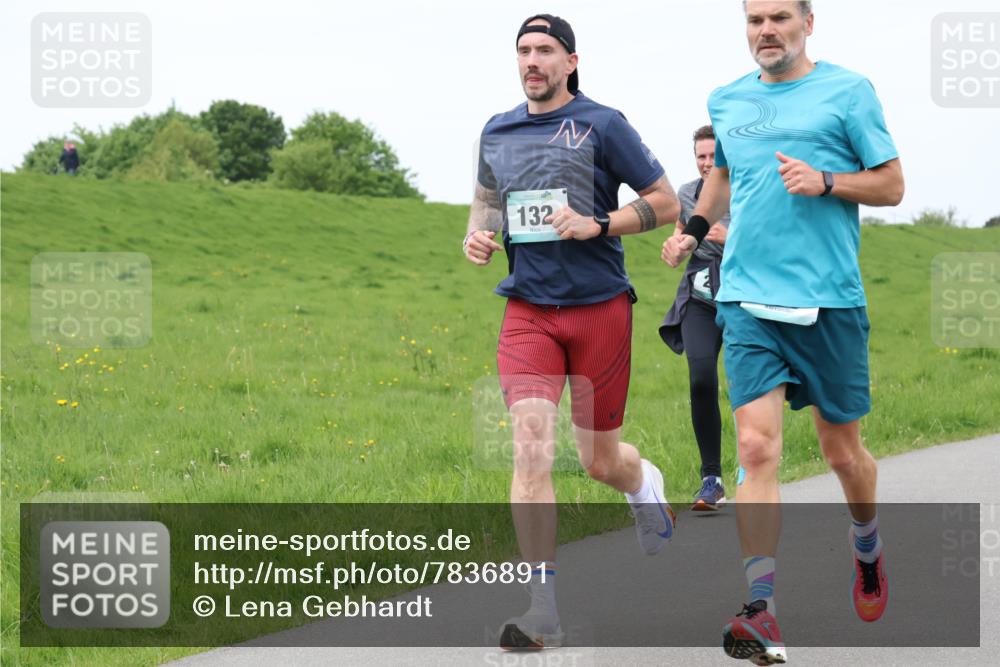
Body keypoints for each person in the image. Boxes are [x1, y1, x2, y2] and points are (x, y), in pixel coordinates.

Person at [662, 1, 904, 664]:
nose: (765, 30)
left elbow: (892, 185)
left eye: (778, 17)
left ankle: (866, 543)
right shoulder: (729, 99)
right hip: (747, 300)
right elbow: (723, 174)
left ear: (807, 22)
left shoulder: (848, 92)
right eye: (753, 19)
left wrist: (826, 181)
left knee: (842, 454)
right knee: (756, 446)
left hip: (828, 303)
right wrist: (690, 229)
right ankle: (761, 609)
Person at [465, 13, 681, 650]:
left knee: (599, 461)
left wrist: (600, 224)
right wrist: (478, 233)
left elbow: (667, 201)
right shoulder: (496, 130)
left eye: (546, 51)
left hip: (599, 308)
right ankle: (542, 612)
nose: (533, 61)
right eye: (524, 51)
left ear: (571, 61)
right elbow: (486, 199)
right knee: (530, 448)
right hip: (527, 309)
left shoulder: (602, 125)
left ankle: (643, 485)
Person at [659, 124, 731, 511]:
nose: (706, 164)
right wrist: (675, 248)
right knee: (701, 379)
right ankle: (711, 479)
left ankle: (755, 467)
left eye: (712, 156)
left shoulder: (748, 188)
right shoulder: (687, 194)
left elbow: (773, 242)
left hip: (743, 301)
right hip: (700, 300)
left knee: (747, 387)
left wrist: (727, 237)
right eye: (700, 157)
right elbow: (681, 236)